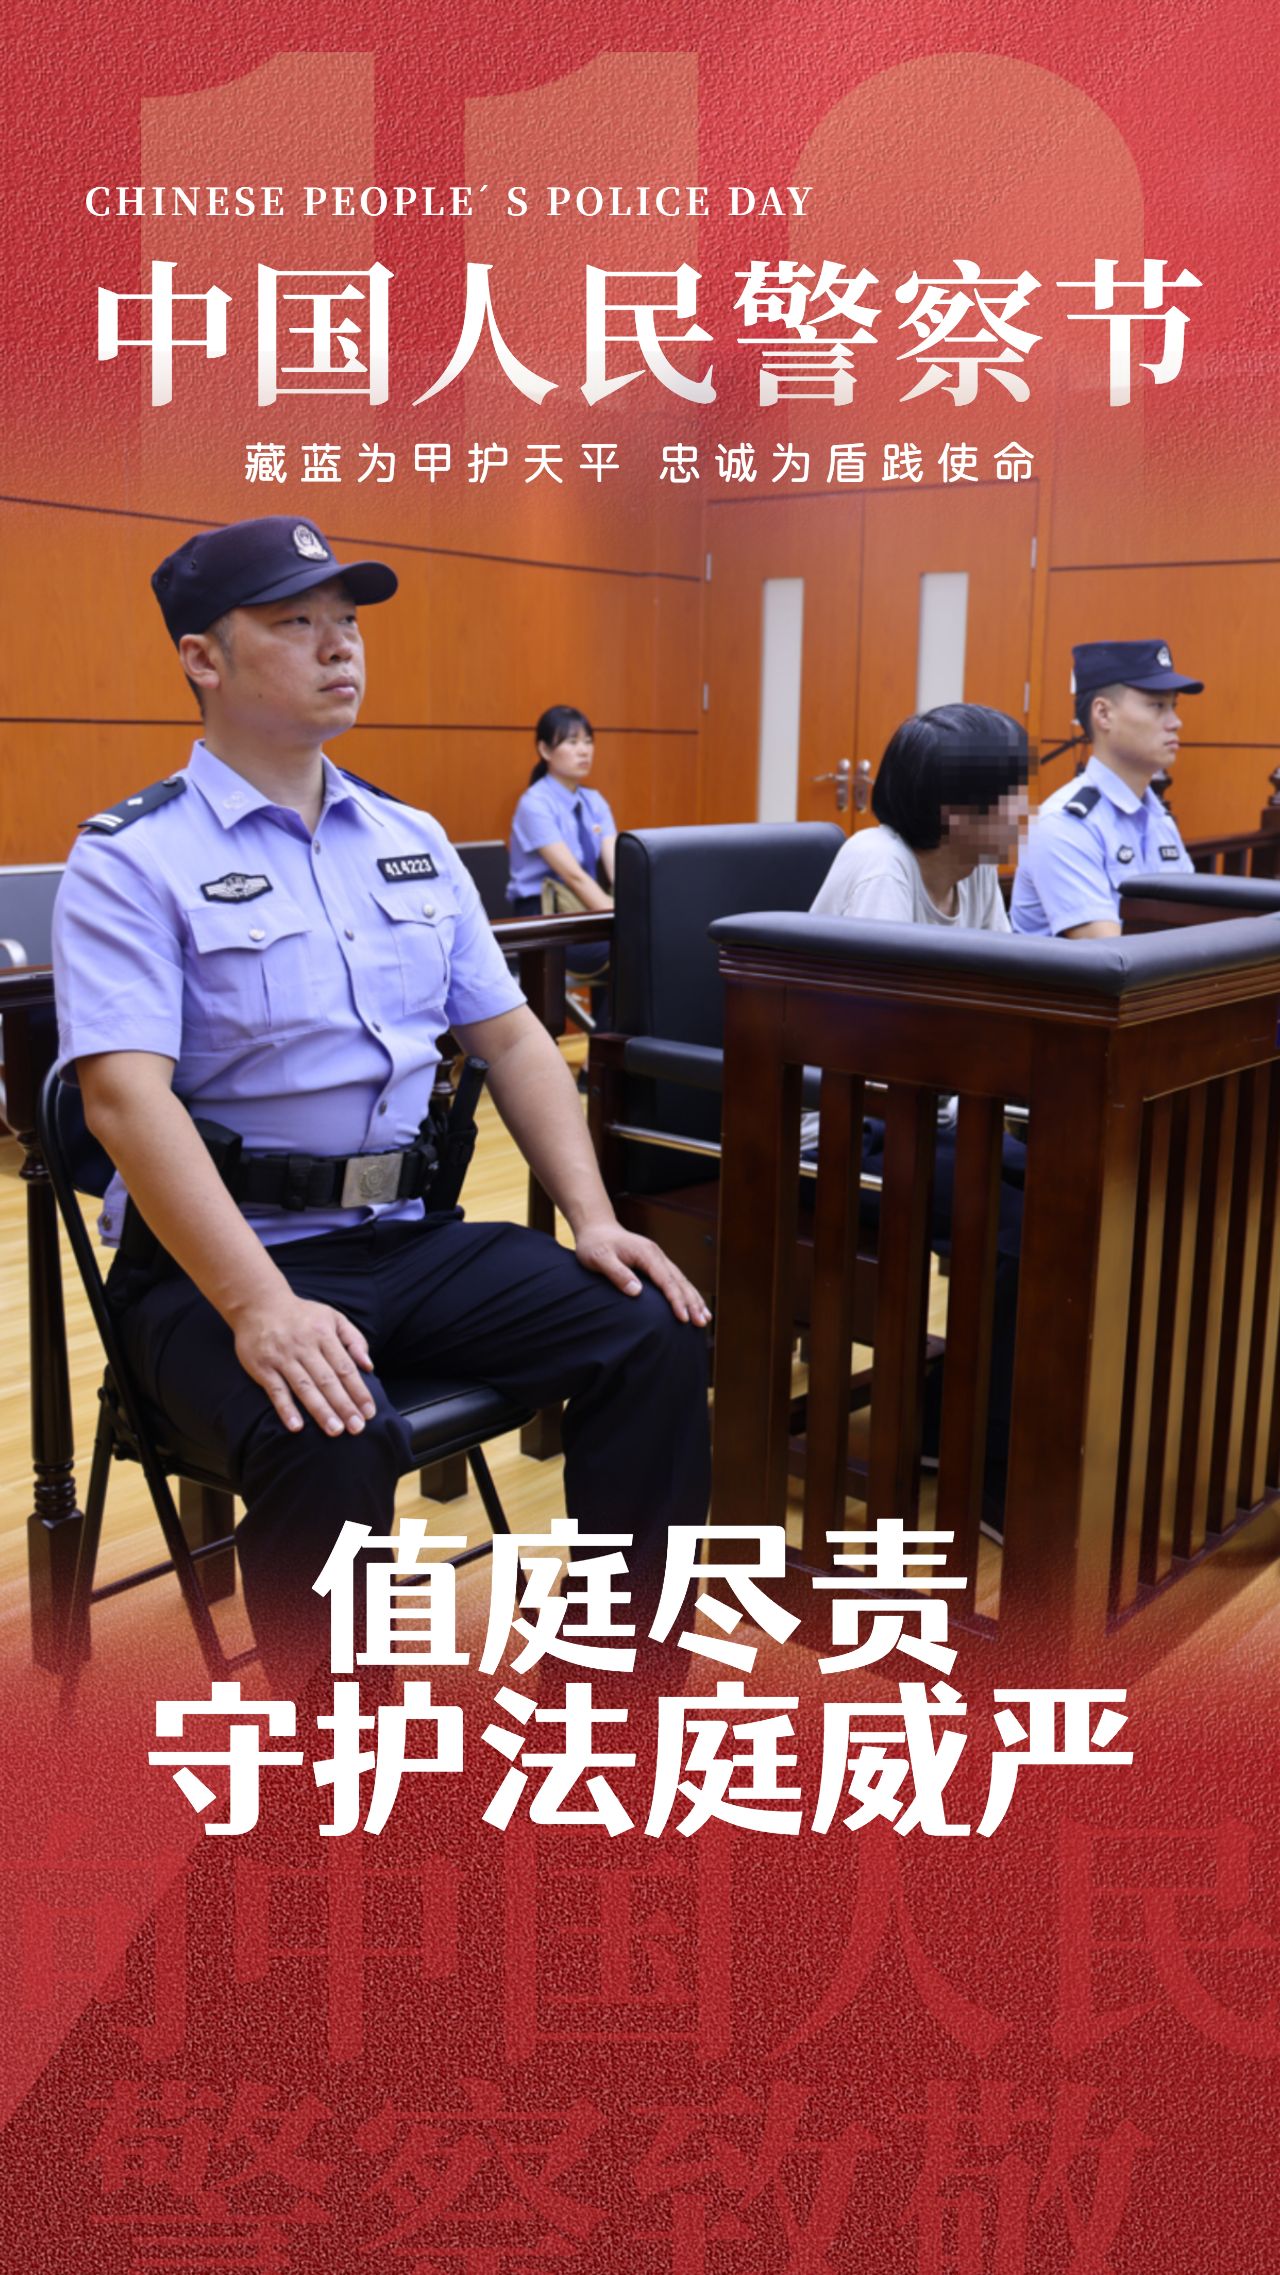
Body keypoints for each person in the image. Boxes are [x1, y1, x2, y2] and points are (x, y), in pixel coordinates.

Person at [52, 516, 711, 1689]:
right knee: (328, 1427)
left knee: (649, 1329)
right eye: (296, 623)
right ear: (203, 658)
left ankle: (612, 1694)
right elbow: (122, 1102)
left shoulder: (407, 838)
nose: (339, 647)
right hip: (220, 1269)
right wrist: (260, 1305)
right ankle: (339, 1762)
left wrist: (596, 1218)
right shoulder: (130, 858)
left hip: (409, 1241)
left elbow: (510, 1035)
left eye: (347, 623)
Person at [802, 703, 1031, 1536]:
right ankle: (984, 1460)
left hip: (929, 1120)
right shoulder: (879, 868)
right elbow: (877, 1056)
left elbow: (1012, 998)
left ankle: (965, 1414)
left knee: (1074, 1186)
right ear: (955, 813)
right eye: (1013, 793)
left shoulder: (972, 871)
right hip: (841, 1129)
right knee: (1027, 1218)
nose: (1027, 809)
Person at [1010, 639, 1202, 937]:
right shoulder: (1063, 825)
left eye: (1173, 707)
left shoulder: (1159, 820)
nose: (1175, 722)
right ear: (1103, 714)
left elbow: (1194, 927)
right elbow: (1110, 955)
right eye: (1157, 706)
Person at [506, 706, 616, 919]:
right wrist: (615, 917)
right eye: (572, 742)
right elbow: (573, 876)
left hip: (585, 902)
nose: (584, 751)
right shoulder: (534, 803)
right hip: (543, 910)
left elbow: (616, 869)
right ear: (545, 750)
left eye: (588, 742)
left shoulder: (594, 800)